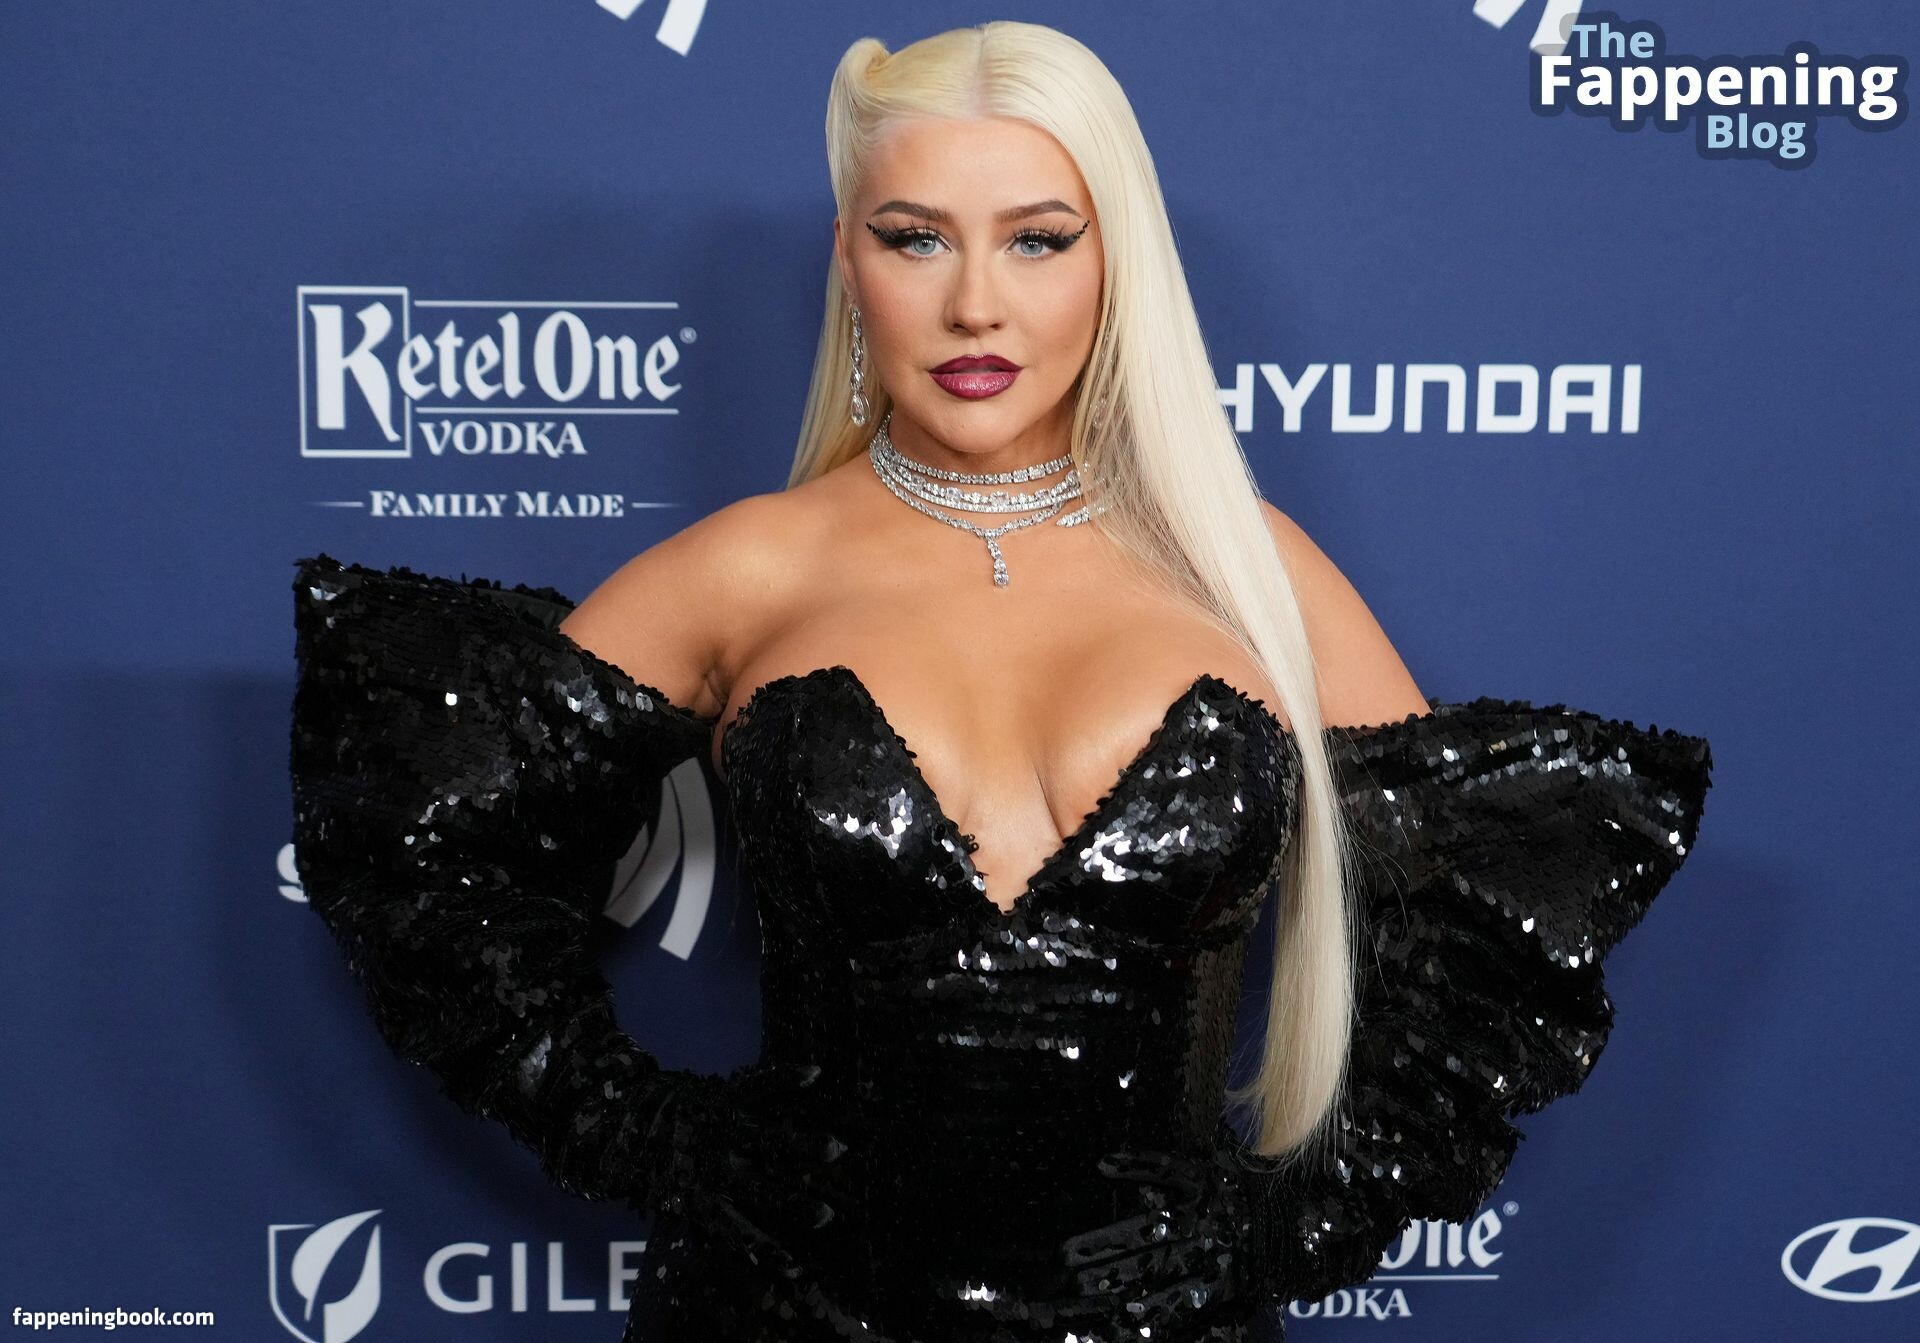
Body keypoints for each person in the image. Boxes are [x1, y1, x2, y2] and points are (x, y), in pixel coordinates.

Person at [287, 21, 1714, 1343]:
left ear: (1115, 262)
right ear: (850, 260)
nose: (975, 303)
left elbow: (1477, 947)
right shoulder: (747, 571)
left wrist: (1283, 1228)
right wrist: (660, 1139)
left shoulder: (1248, 569)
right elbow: (430, 865)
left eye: (1038, 240)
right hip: (777, 1312)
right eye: (916, 239)